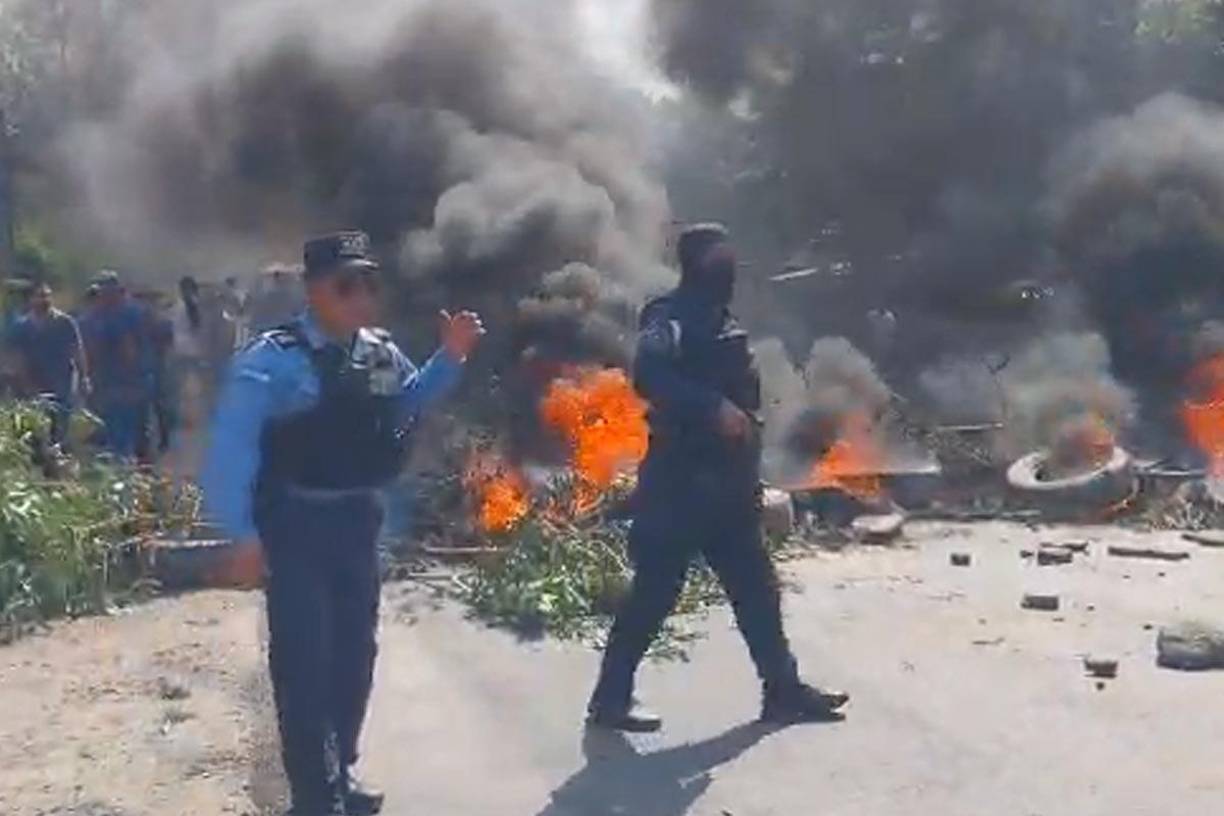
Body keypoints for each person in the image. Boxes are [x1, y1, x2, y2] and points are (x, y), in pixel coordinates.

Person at [201, 231, 484, 816]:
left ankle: (340, 769)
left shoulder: (378, 351)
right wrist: (243, 536)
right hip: (297, 524)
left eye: (369, 284)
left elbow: (406, 401)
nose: (361, 297)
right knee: (304, 663)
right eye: (346, 285)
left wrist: (450, 357)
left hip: (359, 521)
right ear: (313, 290)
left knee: (355, 657)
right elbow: (233, 446)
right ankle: (314, 795)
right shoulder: (272, 358)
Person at [586, 223, 850, 733]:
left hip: (728, 485)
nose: (729, 267)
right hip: (680, 483)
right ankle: (610, 700)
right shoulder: (669, 317)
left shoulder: (719, 318)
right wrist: (711, 407)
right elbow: (649, 376)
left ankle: (783, 691)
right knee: (655, 593)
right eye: (719, 258)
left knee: (757, 589)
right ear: (696, 262)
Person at [6, 282, 91, 445]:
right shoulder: (20, 327)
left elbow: (77, 351)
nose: (44, 300)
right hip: (32, 385)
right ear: (30, 299)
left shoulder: (65, 323)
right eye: (40, 296)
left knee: (59, 429)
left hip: (61, 384)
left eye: (47, 296)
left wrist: (84, 377)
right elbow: (16, 358)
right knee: (34, 431)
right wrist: (23, 383)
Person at [89, 271, 152, 459]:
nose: (101, 293)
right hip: (108, 379)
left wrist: (132, 376)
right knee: (112, 426)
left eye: (104, 288)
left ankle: (127, 462)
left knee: (126, 427)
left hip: (127, 379)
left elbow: (129, 348)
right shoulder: (101, 313)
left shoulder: (128, 313)